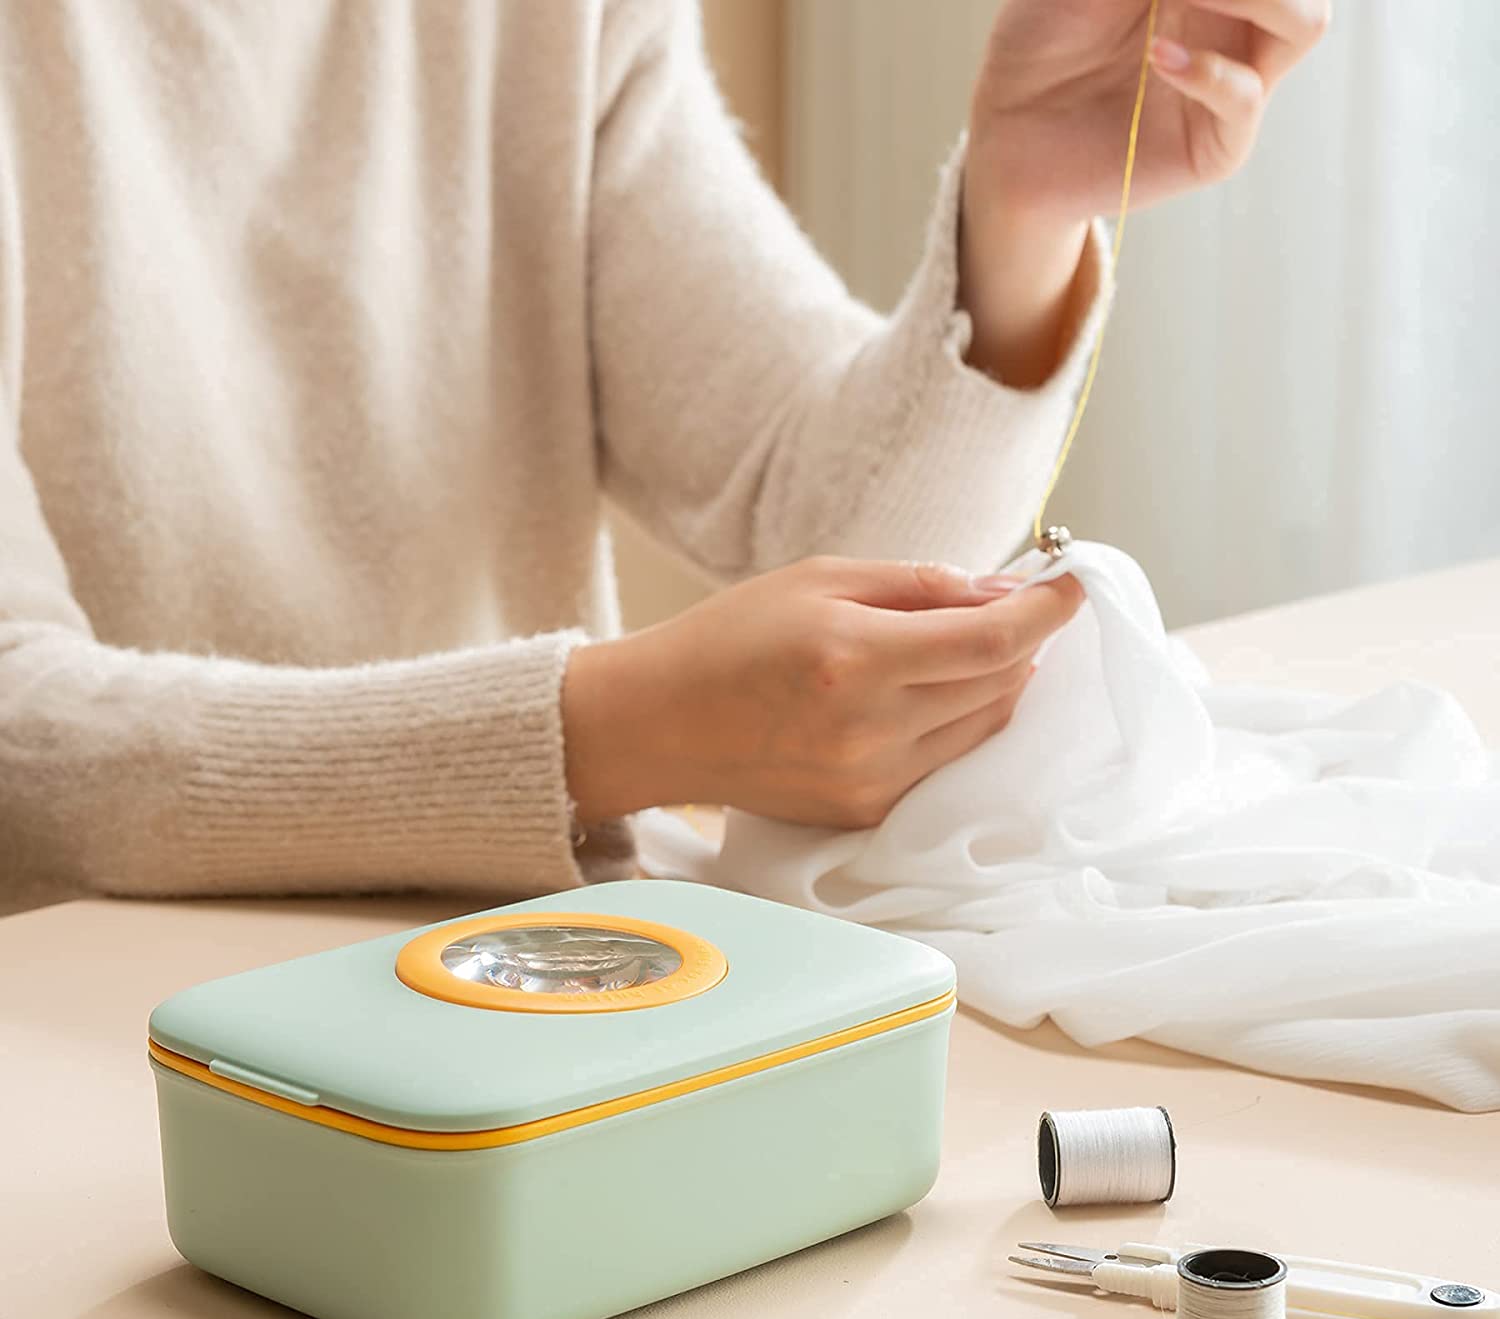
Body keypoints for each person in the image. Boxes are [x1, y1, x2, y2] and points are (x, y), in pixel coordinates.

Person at [0, 0, 1325, 914]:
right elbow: (22, 743)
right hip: (83, 1049)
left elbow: (831, 527)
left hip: (526, 990)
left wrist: (1024, 205)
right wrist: (618, 732)